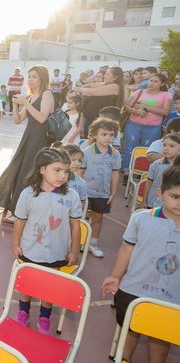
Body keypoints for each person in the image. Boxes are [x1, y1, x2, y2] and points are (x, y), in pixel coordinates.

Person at [101, 162, 180, 363]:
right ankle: (123, 358)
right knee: (129, 334)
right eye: (175, 197)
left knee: (160, 341)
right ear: (160, 194)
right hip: (134, 291)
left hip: (171, 299)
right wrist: (115, 276)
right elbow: (127, 248)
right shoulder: (142, 218)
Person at [12, 147, 82, 334]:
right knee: (27, 283)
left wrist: (74, 250)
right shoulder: (28, 194)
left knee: (49, 287)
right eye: (57, 170)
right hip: (30, 249)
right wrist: (15, 244)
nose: (62, 175)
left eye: (66, 171)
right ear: (42, 170)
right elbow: (20, 222)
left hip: (57, 252)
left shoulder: (71, 196)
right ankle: (23, 311)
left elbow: (75, 226)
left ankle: (44, 315)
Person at [0, 65, 55, 222]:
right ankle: (16, 208)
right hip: (28, 138)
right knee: (18, 169)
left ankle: (21, 212)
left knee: (29, 173)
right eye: (29, 76)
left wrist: (26, 102)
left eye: (35, 76)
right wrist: (16, 105)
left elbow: (42, 118)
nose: (31, 79)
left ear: (42, 78)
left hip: (40, 140)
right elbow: (17, 120)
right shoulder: (31, 98)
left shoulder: (47, 94)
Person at [79, 117, 121, 258]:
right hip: (85, 192)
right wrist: (77, 190)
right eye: (104, 134)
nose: (108, 138)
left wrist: (113, 192)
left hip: (102, 193)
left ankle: (93, 243)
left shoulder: (115, 154)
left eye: (111, 135)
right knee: (80, 217)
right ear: (95, 135)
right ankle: (79, 240)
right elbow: (80, 172)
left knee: (98, 219)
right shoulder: (87, 152)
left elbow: (115, 174)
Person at [121, 72, 171, 173]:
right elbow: (126, 106)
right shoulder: (139, 92)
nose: (151, 83)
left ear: (162, 84)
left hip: (153, 127)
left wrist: (146, 107)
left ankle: (142, 173)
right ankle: (127, 172)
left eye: (155, 81)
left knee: (147, 150)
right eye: (151, 80)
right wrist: (136, 111)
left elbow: (166, 111)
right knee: (129, 148)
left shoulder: (166, 95)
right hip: (133, 125)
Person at [76, 66, 124, 137]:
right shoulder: (106, 83)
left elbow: (92, 92)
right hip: (92, 119)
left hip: (102, 122)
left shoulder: (115, 86)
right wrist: (83, 87)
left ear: (115, 77)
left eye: (107, 74)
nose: (104, 76)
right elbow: (89, 85)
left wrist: (77, 89)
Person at [143, 133, 180, 209]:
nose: (166, 148)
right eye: (164, 145)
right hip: (153, 203)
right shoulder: (156, 164)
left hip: (172, 206)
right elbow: (149, 183)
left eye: (171, 146)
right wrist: (144, 201)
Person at [60, 144, 88, 211]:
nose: (77, 163)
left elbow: (82, 202)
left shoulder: (81, 183)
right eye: (73, 160)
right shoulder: (52, 179)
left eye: (79, 160)